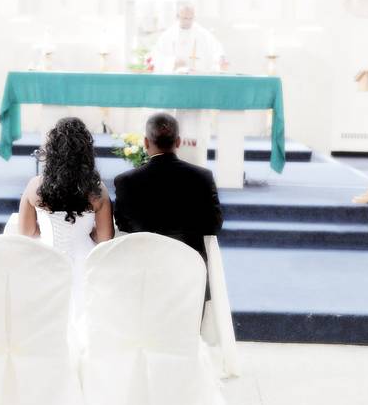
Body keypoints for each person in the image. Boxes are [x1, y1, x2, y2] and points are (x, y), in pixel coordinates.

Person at [113, 112, 223, 304]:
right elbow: (213, 225)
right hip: (189, 273)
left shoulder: (126, 182)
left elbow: (123, 225)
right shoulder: (202, 177)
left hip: (144, 274)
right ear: (178, 141)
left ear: (146, 143)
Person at [18, 117, 114, 322]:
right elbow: (105, 237)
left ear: (52, 152)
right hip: (85, 265)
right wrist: (87, 231)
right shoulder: (98, 191)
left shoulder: (34, 187)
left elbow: (26, 232)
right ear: (86, 154)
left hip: (46, 262)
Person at [147, 2, 227, 166]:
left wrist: (218, 60)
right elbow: (156, 57)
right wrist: (172, 62)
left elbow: (217, 53)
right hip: (172, 89)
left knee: (194, 128)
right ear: (178, 17)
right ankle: (168, 163)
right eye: (184, 18)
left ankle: (195, 164)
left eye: (190, 18)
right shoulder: (168, 35)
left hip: (196, 89)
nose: (187, 21)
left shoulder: (203, 35)